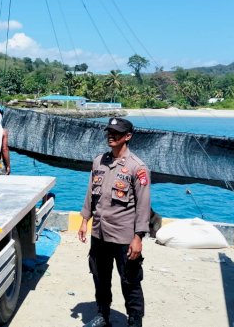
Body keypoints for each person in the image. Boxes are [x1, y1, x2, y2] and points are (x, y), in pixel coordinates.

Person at [78, 117, 151, 327]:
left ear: (128, 137)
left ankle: (135, 321)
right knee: (100, 276)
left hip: (124, 236)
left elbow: (143, 205)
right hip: (99, 232)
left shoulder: (138, 168)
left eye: (117, 133)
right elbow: (91, 194)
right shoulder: (99, 161)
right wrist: (85, 220)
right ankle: (103, 315)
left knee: (130, 281)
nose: (111, 135)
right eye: (109, 132)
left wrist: (138, 238)